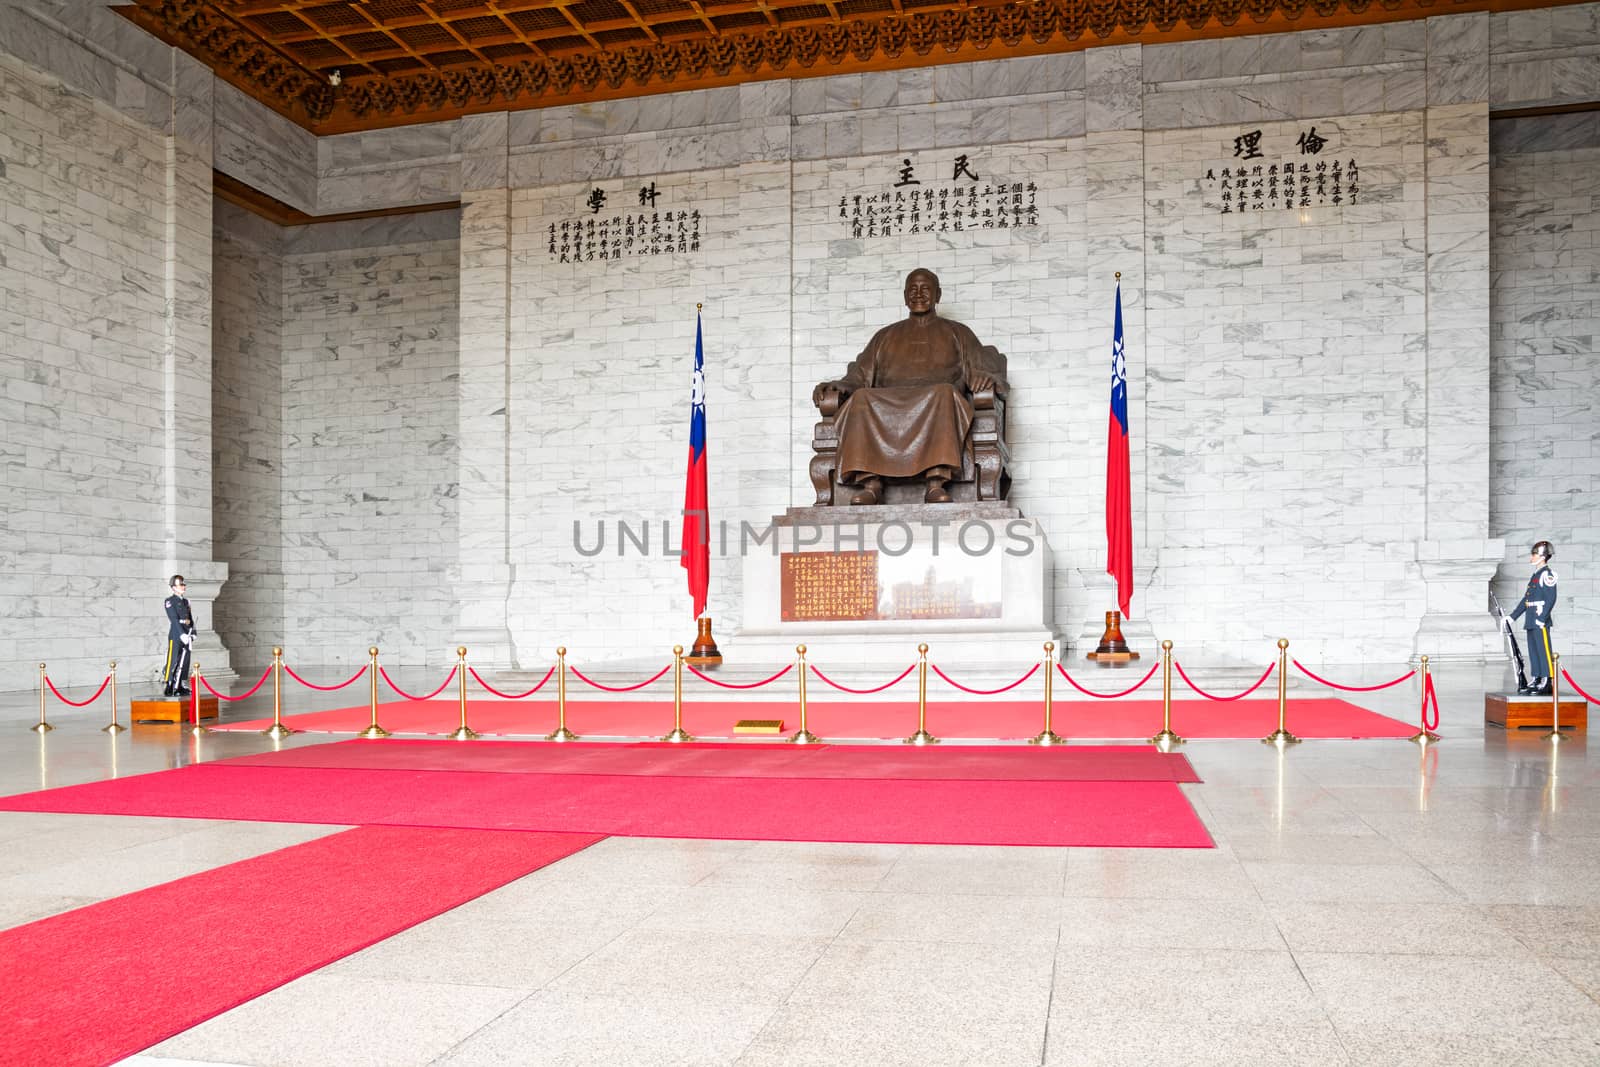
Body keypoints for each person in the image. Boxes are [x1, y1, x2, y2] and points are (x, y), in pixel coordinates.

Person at [812, 268, 1006, 505]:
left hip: (936, 400)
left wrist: (983, 376)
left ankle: (935, 482)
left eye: (925, 288)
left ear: (938, 294)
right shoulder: (885, 336)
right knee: (861, 398)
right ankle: (871, 484)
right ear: (905, 296)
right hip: (887, 402)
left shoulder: (958, 332)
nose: (919, 294)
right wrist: (839, 385)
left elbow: (984, 367)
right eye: (912, 289)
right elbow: (859, 376)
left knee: (945, 393)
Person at [1509, 541, 1557, 696]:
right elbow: (1526, 599)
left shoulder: (1547, 575)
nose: (1532, 557)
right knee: (1534, 651)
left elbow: (1551, 598)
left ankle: (1546, 681)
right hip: (1531, 618)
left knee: (1543, 651)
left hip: (1539, 619)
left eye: (1534, 554)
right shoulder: (1536, 575)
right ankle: (1537, 678)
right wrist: (1512, 617)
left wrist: (1542, 618)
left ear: (1542, 557)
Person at [162, 575, 195, 697]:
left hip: (187, 634)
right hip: (176, 634)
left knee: (185, 660)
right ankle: (169, 684)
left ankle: (181, 685)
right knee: (173, 659)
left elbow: (190, 619)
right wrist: (181, 634)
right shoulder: (169, 601)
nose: (183, 586)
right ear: (173, 588)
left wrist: (193, 633)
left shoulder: (186, 602)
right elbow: (174, 620)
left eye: (183, 584)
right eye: (181, 585)